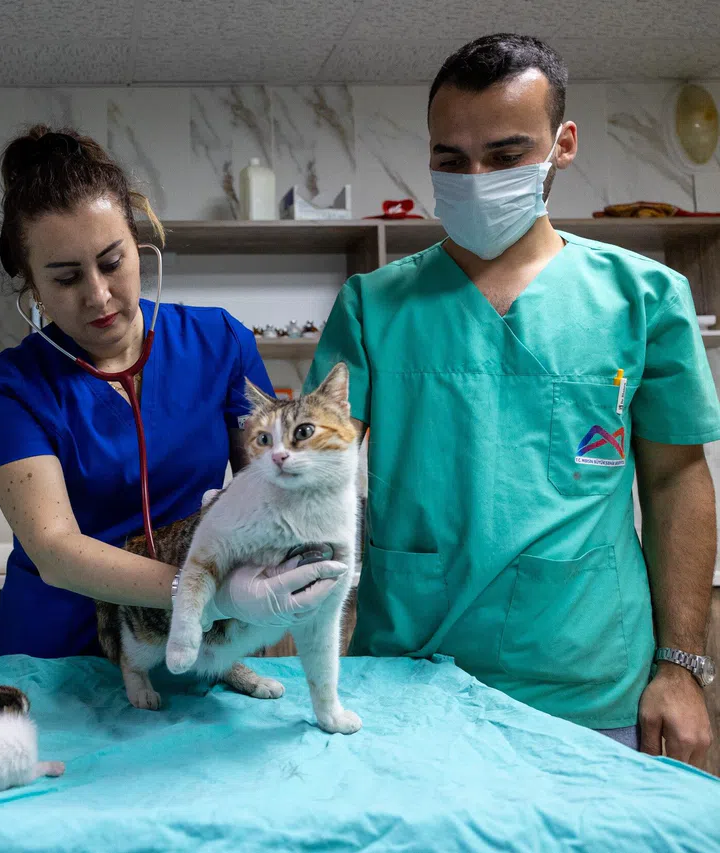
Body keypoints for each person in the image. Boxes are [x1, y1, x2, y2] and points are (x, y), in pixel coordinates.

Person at [305, 34, 719, 766]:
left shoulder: (643, 298)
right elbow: (310, 478)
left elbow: (676, 480)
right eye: (450, 160)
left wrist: (680, 667)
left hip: (588, 687)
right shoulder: (374, 305)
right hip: (408, 680)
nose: (475, 179)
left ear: (563, 144)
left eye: (503, 156)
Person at [0, 126, 348, 659]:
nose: (98, 295)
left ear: (140, 241)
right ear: (33, 287)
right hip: (56, 655)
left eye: (111, 262)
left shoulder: (220, 343)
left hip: (192, 647)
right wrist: (203, 595)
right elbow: (55, 551)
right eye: (64, 279)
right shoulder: (13, 386)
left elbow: (273, 486)